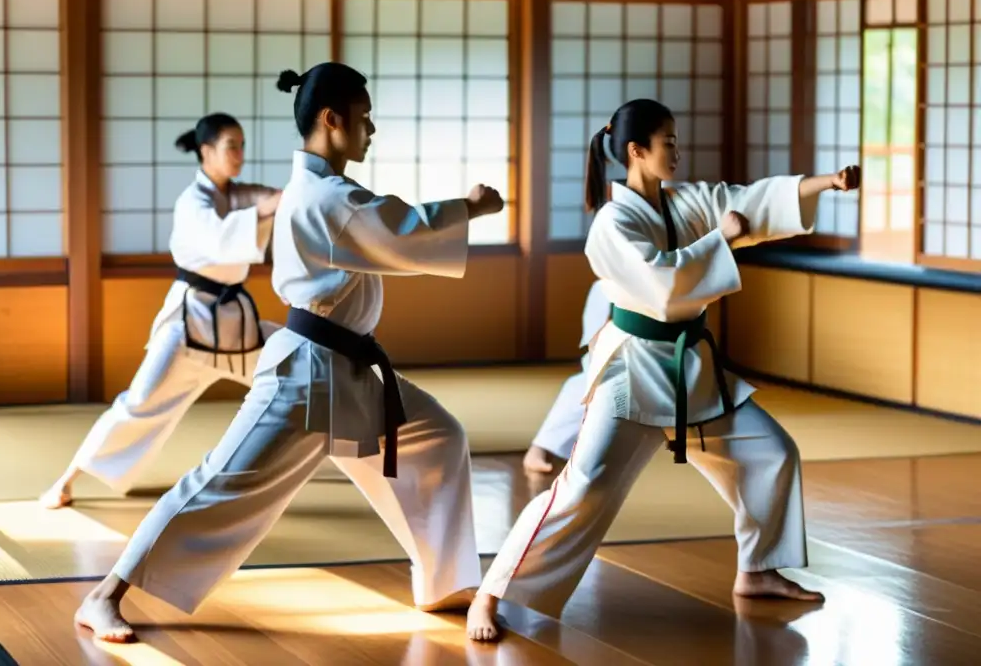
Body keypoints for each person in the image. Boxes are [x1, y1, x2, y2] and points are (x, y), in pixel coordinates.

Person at [73, 62, 505, 643]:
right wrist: (468, 207)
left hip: (349, 373)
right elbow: (398, 228)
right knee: (220, 481)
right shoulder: (325, 194)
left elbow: (385, 225)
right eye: (365, 117)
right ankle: (103, 595)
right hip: (306, 375)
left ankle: (444, 581)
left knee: (438, 436)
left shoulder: (324, 191)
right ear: (332, 119)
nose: (371, 129)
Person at [467, 98, 861, 642]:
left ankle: (759, 570)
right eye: (668, 142)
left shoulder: (685, 202)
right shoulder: (612, 223)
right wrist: (721, 238)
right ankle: (489, 594)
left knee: (770, 453)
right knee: (581, 489)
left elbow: (746, 200)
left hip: (690, 372)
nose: (677, 151)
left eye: (677, 140)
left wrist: (826, 183)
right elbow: (662, 285)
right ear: (636, 151)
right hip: (631, 374)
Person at [40, 114, 282, 510]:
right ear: (206, 151)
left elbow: (274, 201)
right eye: (230, 146)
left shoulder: (239, 195)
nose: (239, 154)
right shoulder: (193, 202)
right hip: (190, 325)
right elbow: (222, 240)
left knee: (294, 370)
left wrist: (297, 193)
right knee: (138, 404)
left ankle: (323, 454)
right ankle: (67, 480)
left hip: (237, 326)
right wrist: (268, 208)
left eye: (242, 145)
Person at [522, 279, 610, 474]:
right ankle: (541, 448)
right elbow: (595, 342)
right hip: (620, 362)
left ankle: (542, 448)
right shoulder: (607, 287)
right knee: (585, 384)